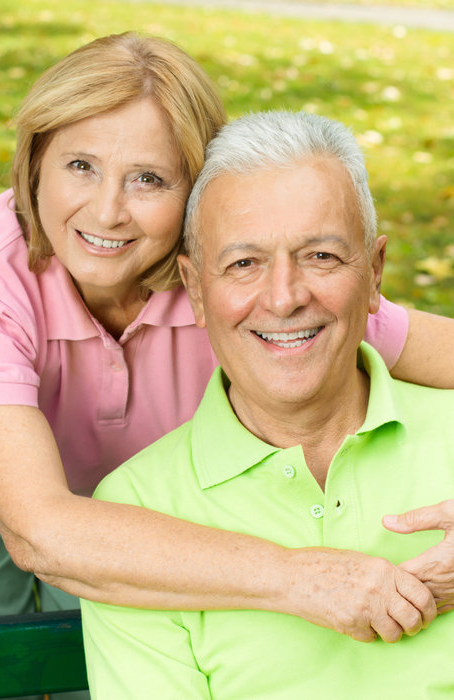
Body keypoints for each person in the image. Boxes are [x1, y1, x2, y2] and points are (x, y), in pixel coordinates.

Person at [0, 29, 453, 664]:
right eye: (80, 166)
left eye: (148, 179)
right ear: (34, 161)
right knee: (3, 649)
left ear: (196, 196)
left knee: (90, 653)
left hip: (150, 508)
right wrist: (300, 578)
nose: (106, 211)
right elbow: (38, 529)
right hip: (8, 499)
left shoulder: (247, 284)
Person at [81, 110, 454, 700]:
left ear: (375, 272)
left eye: (321, 257)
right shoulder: (136, 510)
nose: (283, 298)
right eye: (244, 264)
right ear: (197, 291)